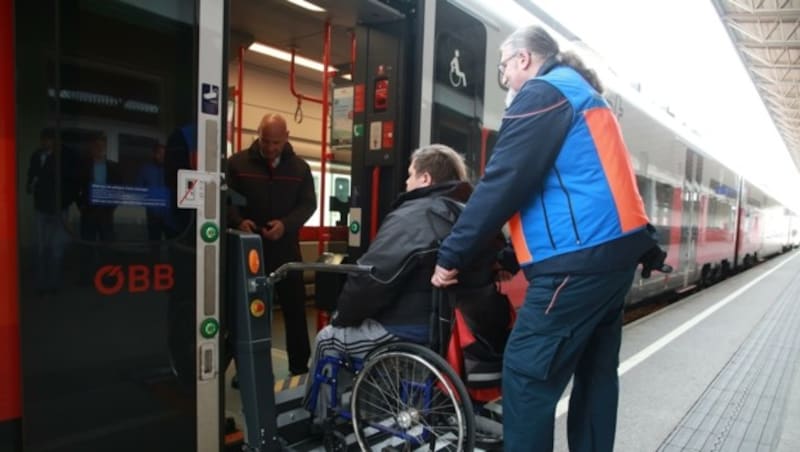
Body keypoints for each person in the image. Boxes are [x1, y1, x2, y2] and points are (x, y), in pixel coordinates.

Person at [431, 25, 667, 452]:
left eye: (504, 67)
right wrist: (512, 254)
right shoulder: (585, 96)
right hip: (611, 265)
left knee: (525, 375)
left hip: (575, 267)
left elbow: (504, 181)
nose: (504, 78)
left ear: (523, 59)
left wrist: (452, 254)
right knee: (595, 377)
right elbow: (588, 189)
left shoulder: (543, 94)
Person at [305, 144, 516, 418]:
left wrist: (343, 316)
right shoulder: (470, 215)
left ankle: (320, 419)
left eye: (409, 175)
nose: (406, 182)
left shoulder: (414, 215)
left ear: (425, 178)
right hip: (460, 329)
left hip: (413, 329)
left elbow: (372, 278)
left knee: (328, 339)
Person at [226, 113, 316, 375]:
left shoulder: (300, 168)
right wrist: (238, 221)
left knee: (295, 311)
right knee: (246, 314)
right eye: (265, 141)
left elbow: (308, 204)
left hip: (286, 250)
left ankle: (299, 369)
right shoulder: (237, 163)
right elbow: (226, 200)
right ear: (258, 134)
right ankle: (246, 371)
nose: (270, 148)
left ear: (286, 137)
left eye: (276, 142)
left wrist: (286, 225)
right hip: (249, 250)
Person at [135, 143, 172, 240]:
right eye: (159, 153)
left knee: (173, 243)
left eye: (165, 153)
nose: (162, 156)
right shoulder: (145, 169)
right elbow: (138, 189)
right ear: (154, 154)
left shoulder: (172, 170)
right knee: (154, 244)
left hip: (170, 215)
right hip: (153, 215)